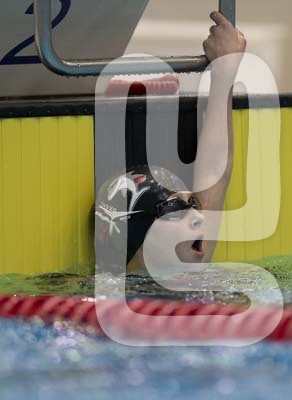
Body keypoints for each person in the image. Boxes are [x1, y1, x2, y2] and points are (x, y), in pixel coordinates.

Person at [94, 11, 246, 275]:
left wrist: (225, 70)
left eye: (193, 205)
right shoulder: (106, 295)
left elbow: (215, 171)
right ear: (134, 235)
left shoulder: (191, 266)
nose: (199, 218)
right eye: (175, 212)